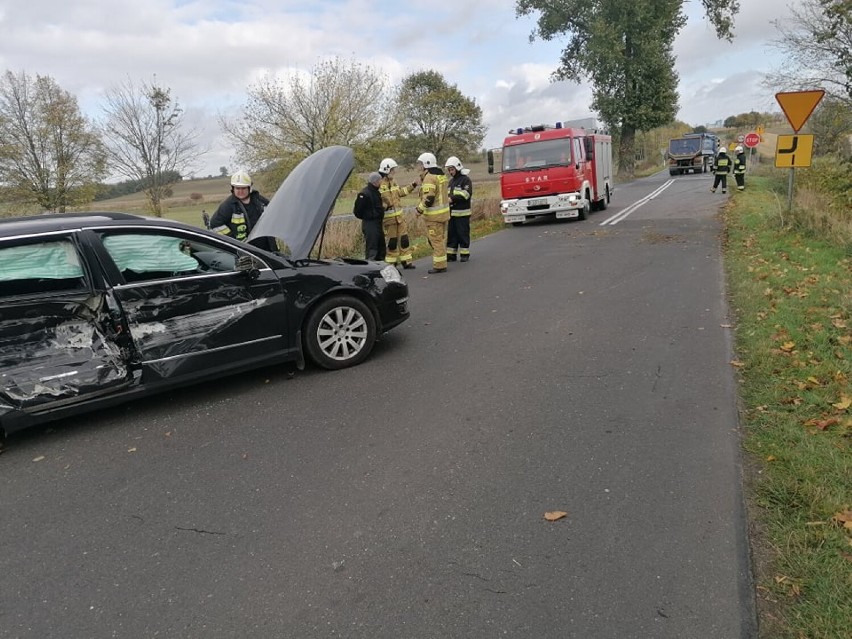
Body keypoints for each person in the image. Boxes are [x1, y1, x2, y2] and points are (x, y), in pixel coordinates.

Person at [210, 171, 276, 251]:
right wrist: (233, 240)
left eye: (243, 188)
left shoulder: (259, 200)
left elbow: (273, 213)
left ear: (249, 188)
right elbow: (215, 224)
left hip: (267, 247)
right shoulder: (229, 205)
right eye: (237, 188)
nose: (240, 191)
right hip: (245, 250)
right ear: (233, 188)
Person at [378, 158, 417, 269]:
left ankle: (406, 262)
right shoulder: (380, 184)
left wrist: (412, 186)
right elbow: (379, 202)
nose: (394, 172)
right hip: (389, 220)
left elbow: (400, 192)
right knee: (392, 242)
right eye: (393, 170)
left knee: (404, 240)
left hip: (400, 218)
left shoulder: (393, 182)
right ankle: (391, 264)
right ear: (386, 170)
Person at [415, 152, 450, 274]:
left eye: (420, 164)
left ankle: (439, 265)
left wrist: (419, 209)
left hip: (434, 217)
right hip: (444, 214)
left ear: (426, 164)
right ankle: (442, 262)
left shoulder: (429, 177)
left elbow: (429, 198)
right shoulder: (441, 175)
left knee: (435, 240)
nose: (419, 167)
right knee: (440, 239)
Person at [444, 156, 473, 262]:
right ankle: (451, 255)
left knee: (463, 234)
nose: (450, 172)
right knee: (452, 235)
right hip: (452, 214)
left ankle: (464, 254)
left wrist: (452, 199)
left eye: (452, 169)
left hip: (462, 214)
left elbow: (466, 194)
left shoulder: (465, 180)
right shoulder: (451, 182)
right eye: (449, 170)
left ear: (457, 167)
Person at [353, 172, 386, 261]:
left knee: (381, 247)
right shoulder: (364, 194)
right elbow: (357, 211)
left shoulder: (376, 192)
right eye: (380, 181)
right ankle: (371, 269)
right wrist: (370, 215)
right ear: (375, 181)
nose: (381, 183)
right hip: (370, 224)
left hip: (378, 224)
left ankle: (380, 268)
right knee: (372, 249)